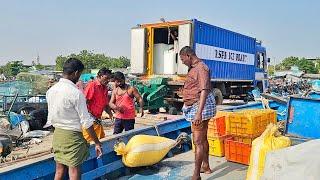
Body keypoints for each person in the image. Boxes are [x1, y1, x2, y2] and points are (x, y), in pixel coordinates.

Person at [46, 58, 102, 180]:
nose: (79, 78)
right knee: (74, 170)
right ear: (76, 73)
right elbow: (86, 123)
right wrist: (97, 143)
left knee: (59, 170)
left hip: (58, 135)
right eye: (79, 74)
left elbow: (51, 116)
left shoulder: (51, 91)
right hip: (72, 136)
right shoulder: (76, 93)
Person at [179, 46, 216, 180]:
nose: (182, 62)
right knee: (203, 138)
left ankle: (196, 175)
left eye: (183, 59)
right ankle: (205, 166)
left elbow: (204, 91)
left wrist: (198, 114)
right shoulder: (194, 68)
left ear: (189, 55)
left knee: (198, 141)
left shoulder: (201, 68)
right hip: (196, 104)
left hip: (200, 106)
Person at [82, 68, 113, 142]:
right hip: (90, 120)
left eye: (109, 78)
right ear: (100, 76)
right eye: (106, 78)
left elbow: (105, 104)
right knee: (89, 141)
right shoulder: (92, 85)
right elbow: (84, 102)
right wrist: (88, 117)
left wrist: (110, 113)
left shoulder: (104, 88)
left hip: (97, 119)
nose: (108, 80)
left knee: (101, 139)